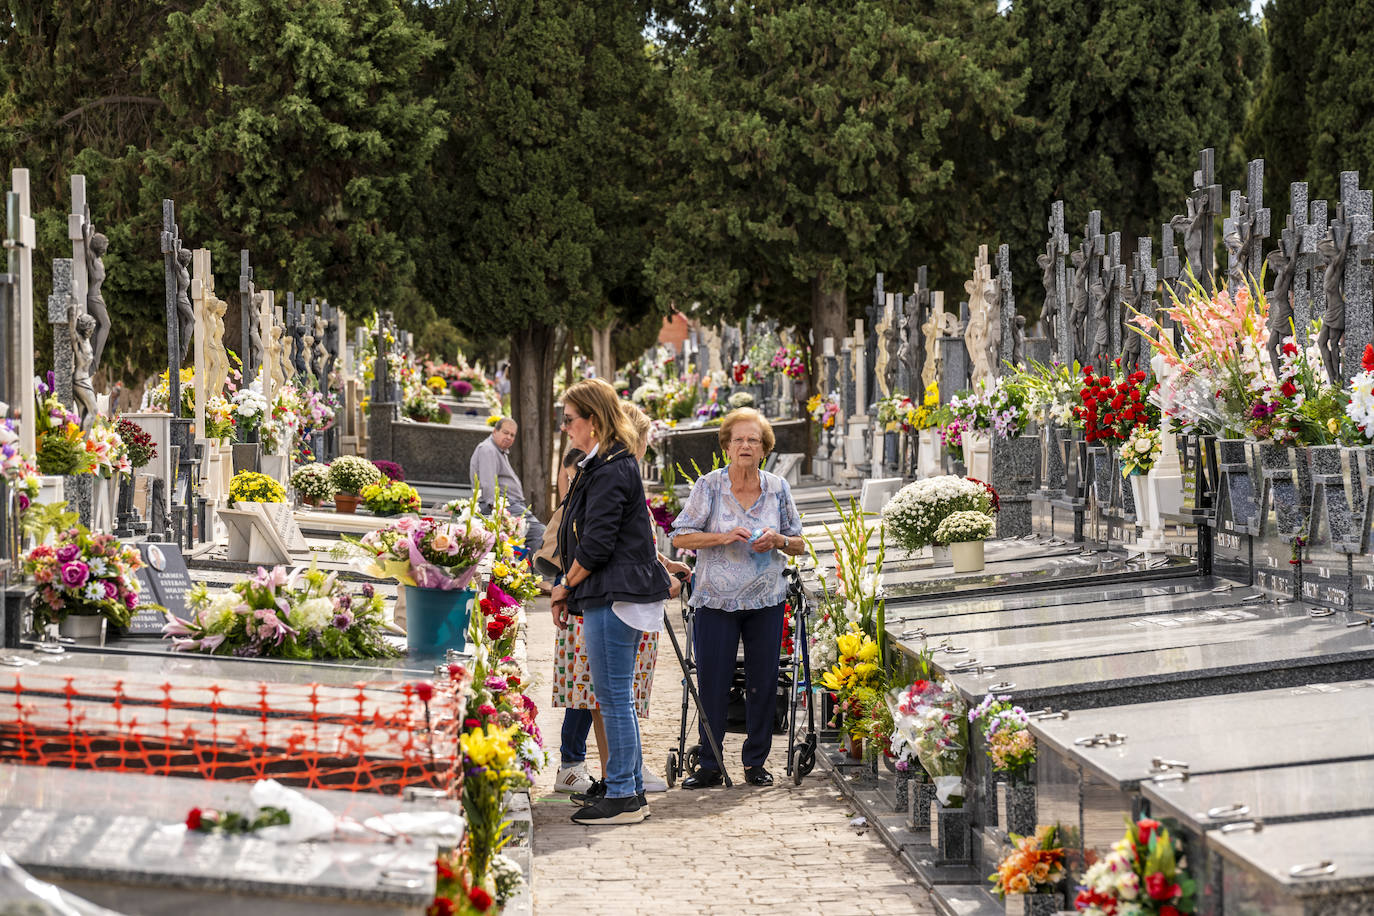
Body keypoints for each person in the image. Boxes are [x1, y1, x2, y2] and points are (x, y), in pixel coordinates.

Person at [552, 406, 688, 799]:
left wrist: (661, 564)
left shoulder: (616, 470)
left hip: (612, 594)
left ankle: (622, 782)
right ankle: (610, 777)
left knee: (611, 697)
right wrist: (566, 586)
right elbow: (595, 542)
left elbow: (624, 541)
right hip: (603, 594)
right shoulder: (603, 469)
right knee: (602, 695)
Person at [670, 407, 804, 788]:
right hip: (716, 601)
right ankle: (710, 763)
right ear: (727, 445)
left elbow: (799, 543)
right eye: (739, 439)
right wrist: (722, 537)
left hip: (766, 601)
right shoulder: (708, 487)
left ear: (765, 449)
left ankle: (755, 762)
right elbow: (680, 536)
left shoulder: (778, 488)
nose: (746, 445)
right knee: (713, 682)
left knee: (763, 682)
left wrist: (778, 540)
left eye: (754, 440)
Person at [470, 417, 545, 553]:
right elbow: (488, 485)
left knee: (528, 539)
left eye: (512, 435)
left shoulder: (497, 450)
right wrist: (500, 513)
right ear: (495, 431)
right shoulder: (488, 449)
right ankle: (540, 574)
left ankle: (529, 571)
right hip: (503, 506)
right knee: (539, 532)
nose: (509, 437)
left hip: (511, 505)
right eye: (505, 432)